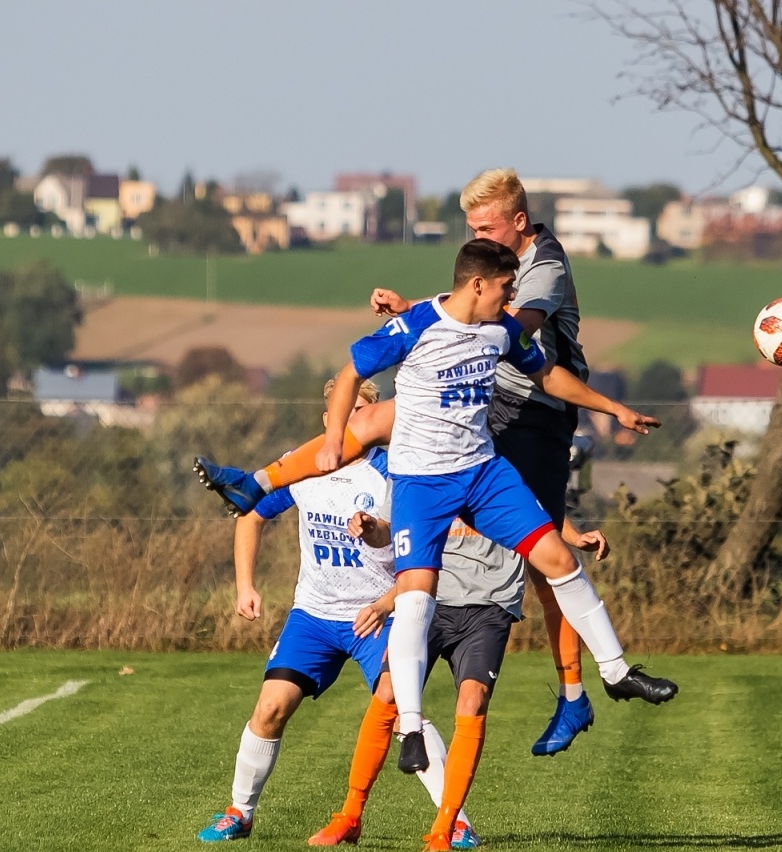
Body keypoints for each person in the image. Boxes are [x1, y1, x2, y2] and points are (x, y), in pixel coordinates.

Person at [195, 169, 652, 757]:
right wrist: (416, 319)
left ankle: (576, 692)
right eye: (470, 229)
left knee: (548, 567)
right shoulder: (486, 279)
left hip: (533, 413)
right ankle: (255, 483)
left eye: (485, 227)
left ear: (518, 223)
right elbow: (462, 319)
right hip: (488, 405)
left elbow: (508, 330)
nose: (475, 237)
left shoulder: (543, 268)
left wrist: (611, 408)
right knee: (366, 429)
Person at [196, 379, 473, 846]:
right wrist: (245, 585)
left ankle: (456, 820)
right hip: (314, 615)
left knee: (406, 711)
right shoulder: (305, 464)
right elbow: (250, 513)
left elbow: (424, 546)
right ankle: (239, 814)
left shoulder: (395, 472)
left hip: (379, 617)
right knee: (270, 708)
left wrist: (386, 596)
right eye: (343, 412)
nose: (352, 420)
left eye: (363, 412)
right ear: (329, 419)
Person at [308, 512, 577, 851]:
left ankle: (447, 827)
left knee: (472, 701)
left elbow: (541, 500)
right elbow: (396, 533)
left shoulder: (506, 462)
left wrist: (575, 535)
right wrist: (375, 542)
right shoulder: (418, 464)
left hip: (488, 608)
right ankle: (349, 817)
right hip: (426, 599)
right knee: (389, 694)